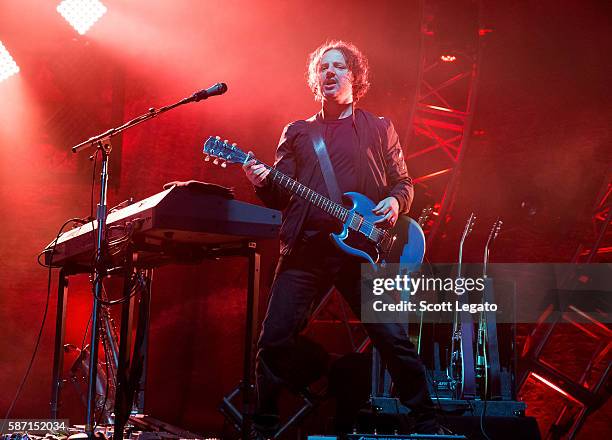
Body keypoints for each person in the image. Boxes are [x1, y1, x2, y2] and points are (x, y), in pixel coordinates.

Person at [242, 40, 440, 436]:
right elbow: (281, 194)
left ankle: (428, 420)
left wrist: (396, 203)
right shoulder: (298, 132)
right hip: (307, 249)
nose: (329, 72)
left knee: (392, 339)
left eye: (338, 66)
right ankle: (266, 421)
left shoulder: (379, 127)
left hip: (364, 251)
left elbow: (404, 183)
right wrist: (261, 183)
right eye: (322, 68)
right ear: (316, 80)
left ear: (354, 76)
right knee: (274, 339)